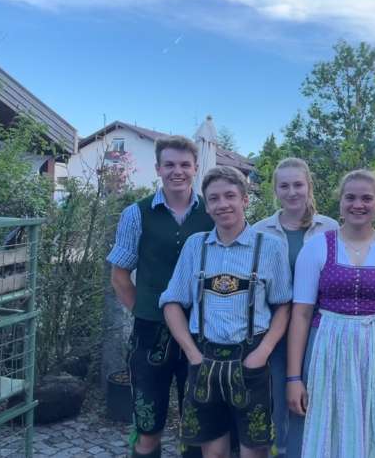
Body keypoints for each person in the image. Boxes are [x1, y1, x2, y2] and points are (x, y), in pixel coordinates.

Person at [286, 169, 375, 458]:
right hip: (327, 348)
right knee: (329, 427)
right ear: (340, 201)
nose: (357, 204)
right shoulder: (318, 247)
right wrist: (294, 378)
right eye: (350, 197)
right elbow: (300, 315)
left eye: (366, 198)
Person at [160, 166, 292, 458]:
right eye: (214, 199)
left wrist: (264, 351)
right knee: (214, 453)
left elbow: (283, 305)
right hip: (204, 358)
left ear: (245, 200)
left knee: (253, 452)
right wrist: (192, 353)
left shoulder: (270, 247)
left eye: (230, 196)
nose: (223, 204)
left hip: (252, 359)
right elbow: (171, 303)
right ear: (207, 206)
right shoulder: (196, 246)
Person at [108, 135, 213, 458]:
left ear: (195, 168)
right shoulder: (136, 214)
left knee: (196, 429)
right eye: (169, 164)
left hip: (202, 331)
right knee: (148, 426)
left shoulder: (212, 212)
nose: (176, 171)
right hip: (150, 333)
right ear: (158, 168)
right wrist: (143, 312)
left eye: (184, 164)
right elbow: (120, 275)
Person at [252, 157, 339, 456]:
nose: (292, 192)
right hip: (274, 333)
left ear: (309, 187)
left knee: (315, 402)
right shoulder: (259, 231)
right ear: (275, 190)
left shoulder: (330, 229)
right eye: (284, 186)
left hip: (320, 330)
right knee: (279, 401)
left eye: (298, 185)